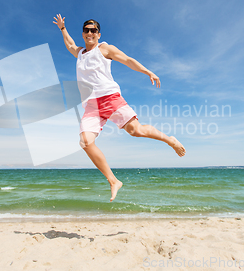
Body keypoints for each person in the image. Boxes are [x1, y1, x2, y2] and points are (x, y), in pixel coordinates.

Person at [53, 14, 186, 202]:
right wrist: (62, 29)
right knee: (85, 142)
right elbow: (70, 45)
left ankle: (169, 140)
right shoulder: (80, 53)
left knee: (136, 130)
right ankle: (113, 181)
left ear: (98, 34)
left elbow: (127, 60)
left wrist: (148, 71)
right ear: (83, 34)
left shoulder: (104, 48)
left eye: (93, 30)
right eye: (86, 30)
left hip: (109, 97)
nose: (89, 33)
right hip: (91, 106)